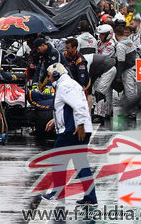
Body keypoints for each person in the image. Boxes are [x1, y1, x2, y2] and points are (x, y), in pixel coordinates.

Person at [42, 63, 98, 205]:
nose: (48, 79)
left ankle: (57, 193)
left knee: (58, 160)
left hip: (73, 130)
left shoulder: (65, 86)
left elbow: (78, 106)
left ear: (56, 75)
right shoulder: (69, 84)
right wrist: (55, 120)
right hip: (79, 128)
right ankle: (91, 197)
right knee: (81, 164)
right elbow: (68, 107)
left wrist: (79, 125)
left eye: (49, 76)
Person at [113, 23, 139, 121]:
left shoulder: (120, 45)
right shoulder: (129, 41)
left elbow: (121, 62)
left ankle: (132, 112)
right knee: (129, 90)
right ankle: (127, 111)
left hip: (127, 70)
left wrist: (118, 75)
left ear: (116, 34)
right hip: (133, 67)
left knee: (129, 91)